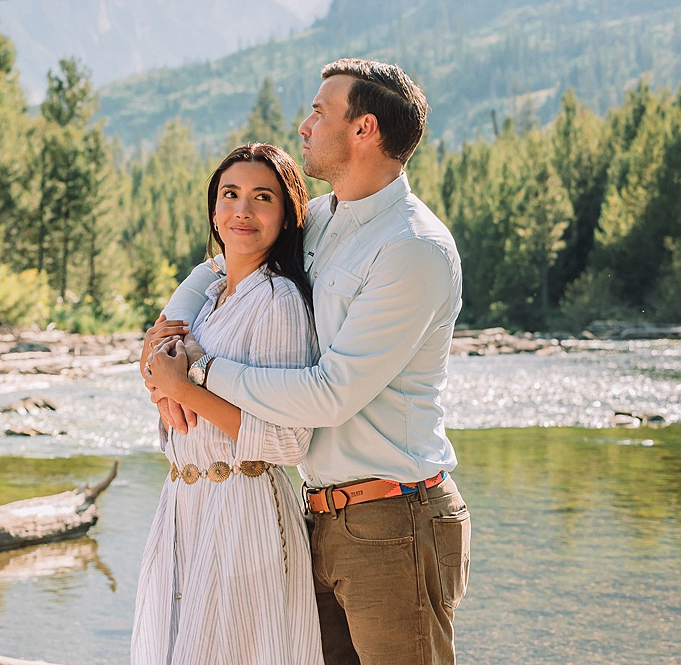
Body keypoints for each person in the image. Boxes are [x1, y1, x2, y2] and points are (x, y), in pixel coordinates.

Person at [145, 58, 471, 665]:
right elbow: (221, 262)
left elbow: (332, 393)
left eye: (320, 111)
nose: (305, 125)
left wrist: (200, 371)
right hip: (315, 516)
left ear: (363, 128)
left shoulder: (413, 247)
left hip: (394, 516)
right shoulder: (320, 218)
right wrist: (164, 333)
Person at [131, 143, 323, 665]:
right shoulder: (210, 300)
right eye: (230, 195)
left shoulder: (280, 302)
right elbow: (179, 408)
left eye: (263, 198)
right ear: (214, 210)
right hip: (184, 507)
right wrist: (159, 379)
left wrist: (182, 388)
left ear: (286, 216)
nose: (242, 210)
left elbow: (288, 440)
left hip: (245, 513)